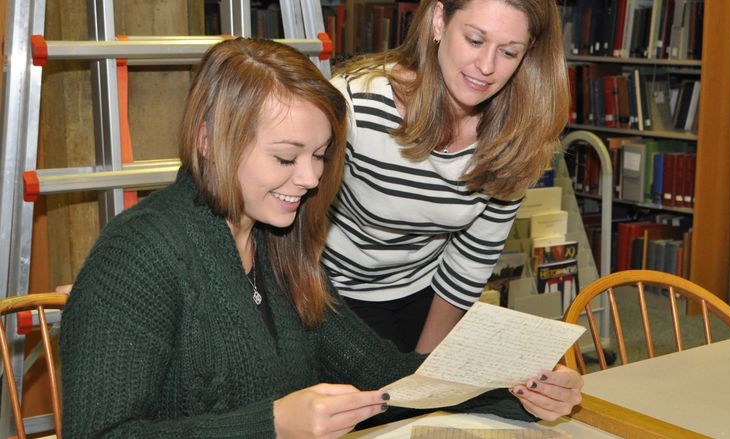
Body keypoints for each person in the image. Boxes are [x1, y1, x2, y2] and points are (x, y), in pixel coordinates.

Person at [59, 38, 582, 437]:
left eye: (320, 156)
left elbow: (381, 373)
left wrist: (516, 387)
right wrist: (273, 424)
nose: (310, 179)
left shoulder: (276, 245)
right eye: (286, 157)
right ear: (208, 140)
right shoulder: (138, 256)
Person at [322, 0, 569, 354]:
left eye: (508, 52)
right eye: (474, 40)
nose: (486, 67)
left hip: (428, 292)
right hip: (332, 295)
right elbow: (294, 232)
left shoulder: (516, 134)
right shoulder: (356, 105)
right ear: (439, 21)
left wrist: (424, 368)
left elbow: (471, 260)